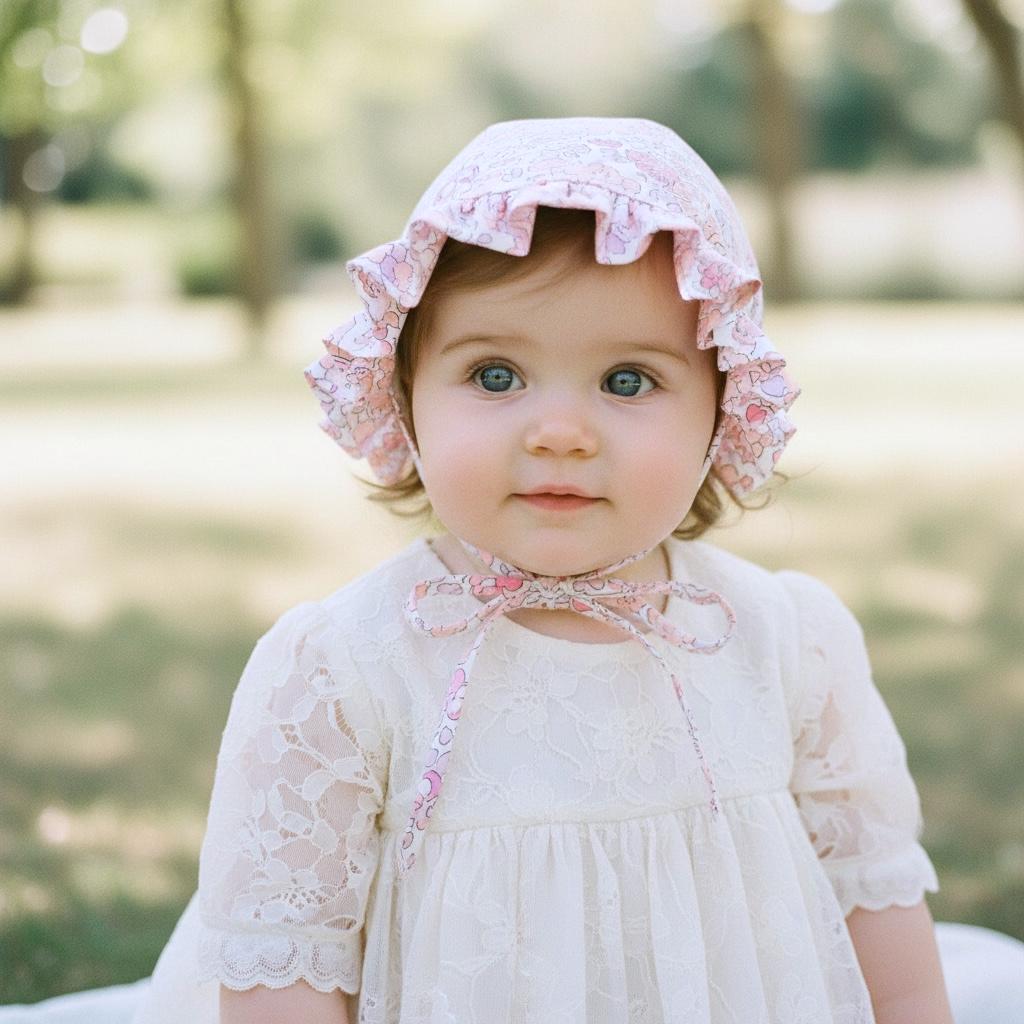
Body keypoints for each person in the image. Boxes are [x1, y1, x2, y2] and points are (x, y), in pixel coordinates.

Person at [3, 117, 1024, 1024]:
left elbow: (877, 925)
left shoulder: (780, 641)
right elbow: (285, 973)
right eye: (495, 375)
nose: (561, 431)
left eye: (629, 380)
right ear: (403, 396)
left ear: (725, 407)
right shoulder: (345, 669)